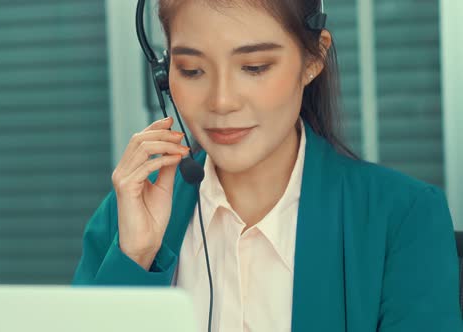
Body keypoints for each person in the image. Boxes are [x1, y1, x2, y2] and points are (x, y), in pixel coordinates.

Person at [72, 0, 462, 331]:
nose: (222, 101)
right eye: (192, 70)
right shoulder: (126, 216)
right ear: (164, 75)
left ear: (313, 59)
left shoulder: (403, 217)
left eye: (255, 67)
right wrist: (134, 259)